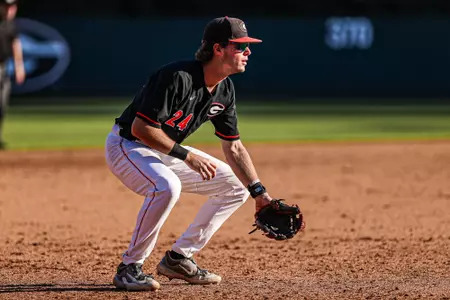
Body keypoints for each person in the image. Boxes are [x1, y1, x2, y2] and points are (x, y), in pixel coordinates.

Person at [105, 16, 273, 291]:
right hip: (128, 146)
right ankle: (130, 267)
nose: (248, 52)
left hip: (165, 150)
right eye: (241, 46)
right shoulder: (177, 77)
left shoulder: (225, 89)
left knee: (235, 187)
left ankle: (178, 258)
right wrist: (188, 157)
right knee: (166, 187)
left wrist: (259, 192)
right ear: (219, 49)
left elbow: (234, 146)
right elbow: (141, 128)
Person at [0, 0, 25, 150]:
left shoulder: (11, 25)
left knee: (2, 105)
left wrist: (19, 66)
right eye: (8, 6)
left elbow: (16, 44)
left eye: (13, 6)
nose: (11, 9)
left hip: (4, 67)